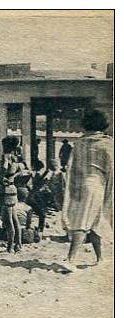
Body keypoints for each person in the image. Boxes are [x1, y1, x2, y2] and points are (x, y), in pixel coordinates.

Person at [62, 110, 113, 270]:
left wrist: (73, 189)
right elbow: (112, 168)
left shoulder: (79, 143)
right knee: (83, 223)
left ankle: (100, 257)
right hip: (97, 185)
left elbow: (72, 168)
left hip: (81, 184)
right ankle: (70, 260)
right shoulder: (107, 143)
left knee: (95, 220)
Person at [0, 136, 23, 253]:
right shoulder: (15, 158)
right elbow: (21, 171)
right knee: (15, 219)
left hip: (6, 190)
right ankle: (18, 244)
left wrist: (0, 175)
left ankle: (10, 246)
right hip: (13, 188)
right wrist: (13, 176)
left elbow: (3, 169)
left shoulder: (6, 157)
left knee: (8, 220)